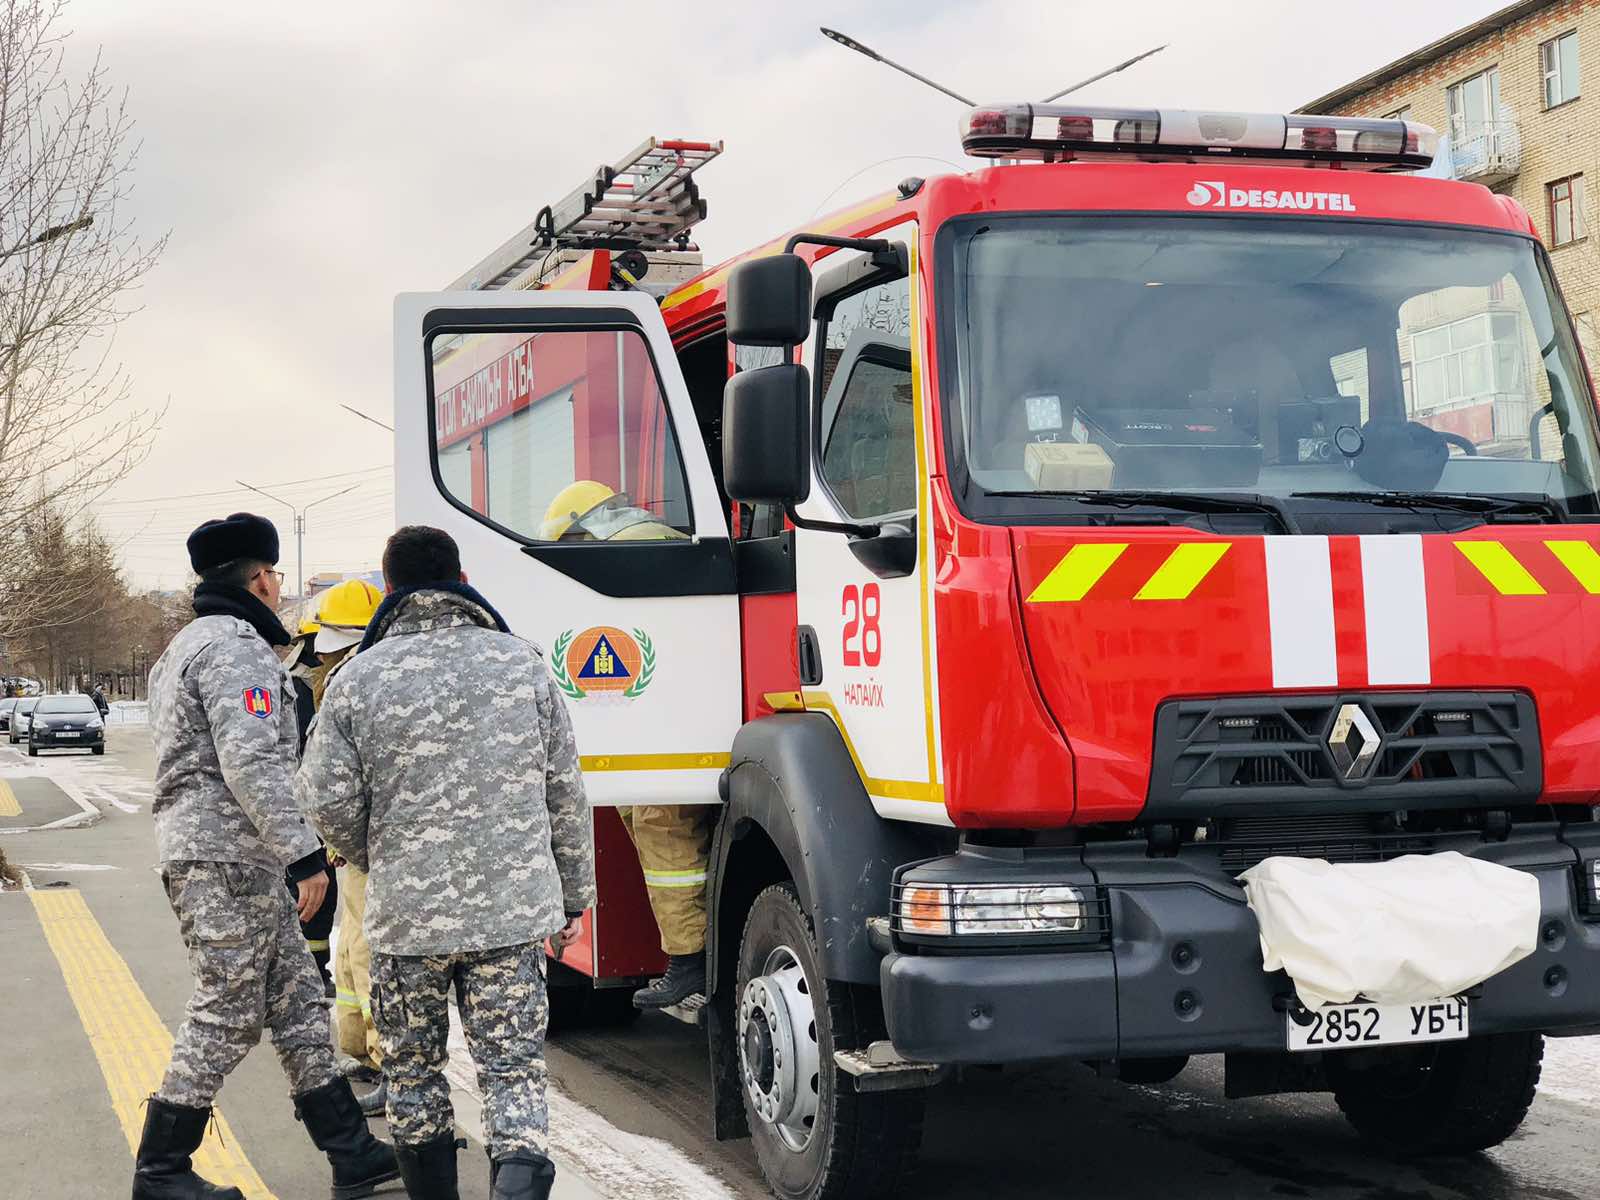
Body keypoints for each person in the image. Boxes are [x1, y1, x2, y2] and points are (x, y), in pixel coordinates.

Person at [298, 525, 594, 1200]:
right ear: (462, 581)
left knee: (413, 1076)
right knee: (513, 1072)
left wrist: (381, 855)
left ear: (389, 588)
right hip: (510, 919)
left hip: (408, 921)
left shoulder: (356, 679)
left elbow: (322, 798)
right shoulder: (522, 665)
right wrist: (573, 897)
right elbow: (564, 792)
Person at [135, 512, 398, 1200]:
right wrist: (304, 855)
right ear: (259, 580)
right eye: (275, 574)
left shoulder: (186, 645)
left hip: (229, 857)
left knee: (299, 1001)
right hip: (225, 858)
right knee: (227, 1006)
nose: (279, 586)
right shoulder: (236, 649)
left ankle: (353, 1152)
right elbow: (252, 762)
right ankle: (161, 1168)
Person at [539, 482, 712, 1008]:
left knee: (662, 828)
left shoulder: (620, 554)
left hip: (671, 724)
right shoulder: (653, 539)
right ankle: (690, 952)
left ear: (581, 528)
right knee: (645, 816)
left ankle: (690, 958)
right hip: (682, 713)